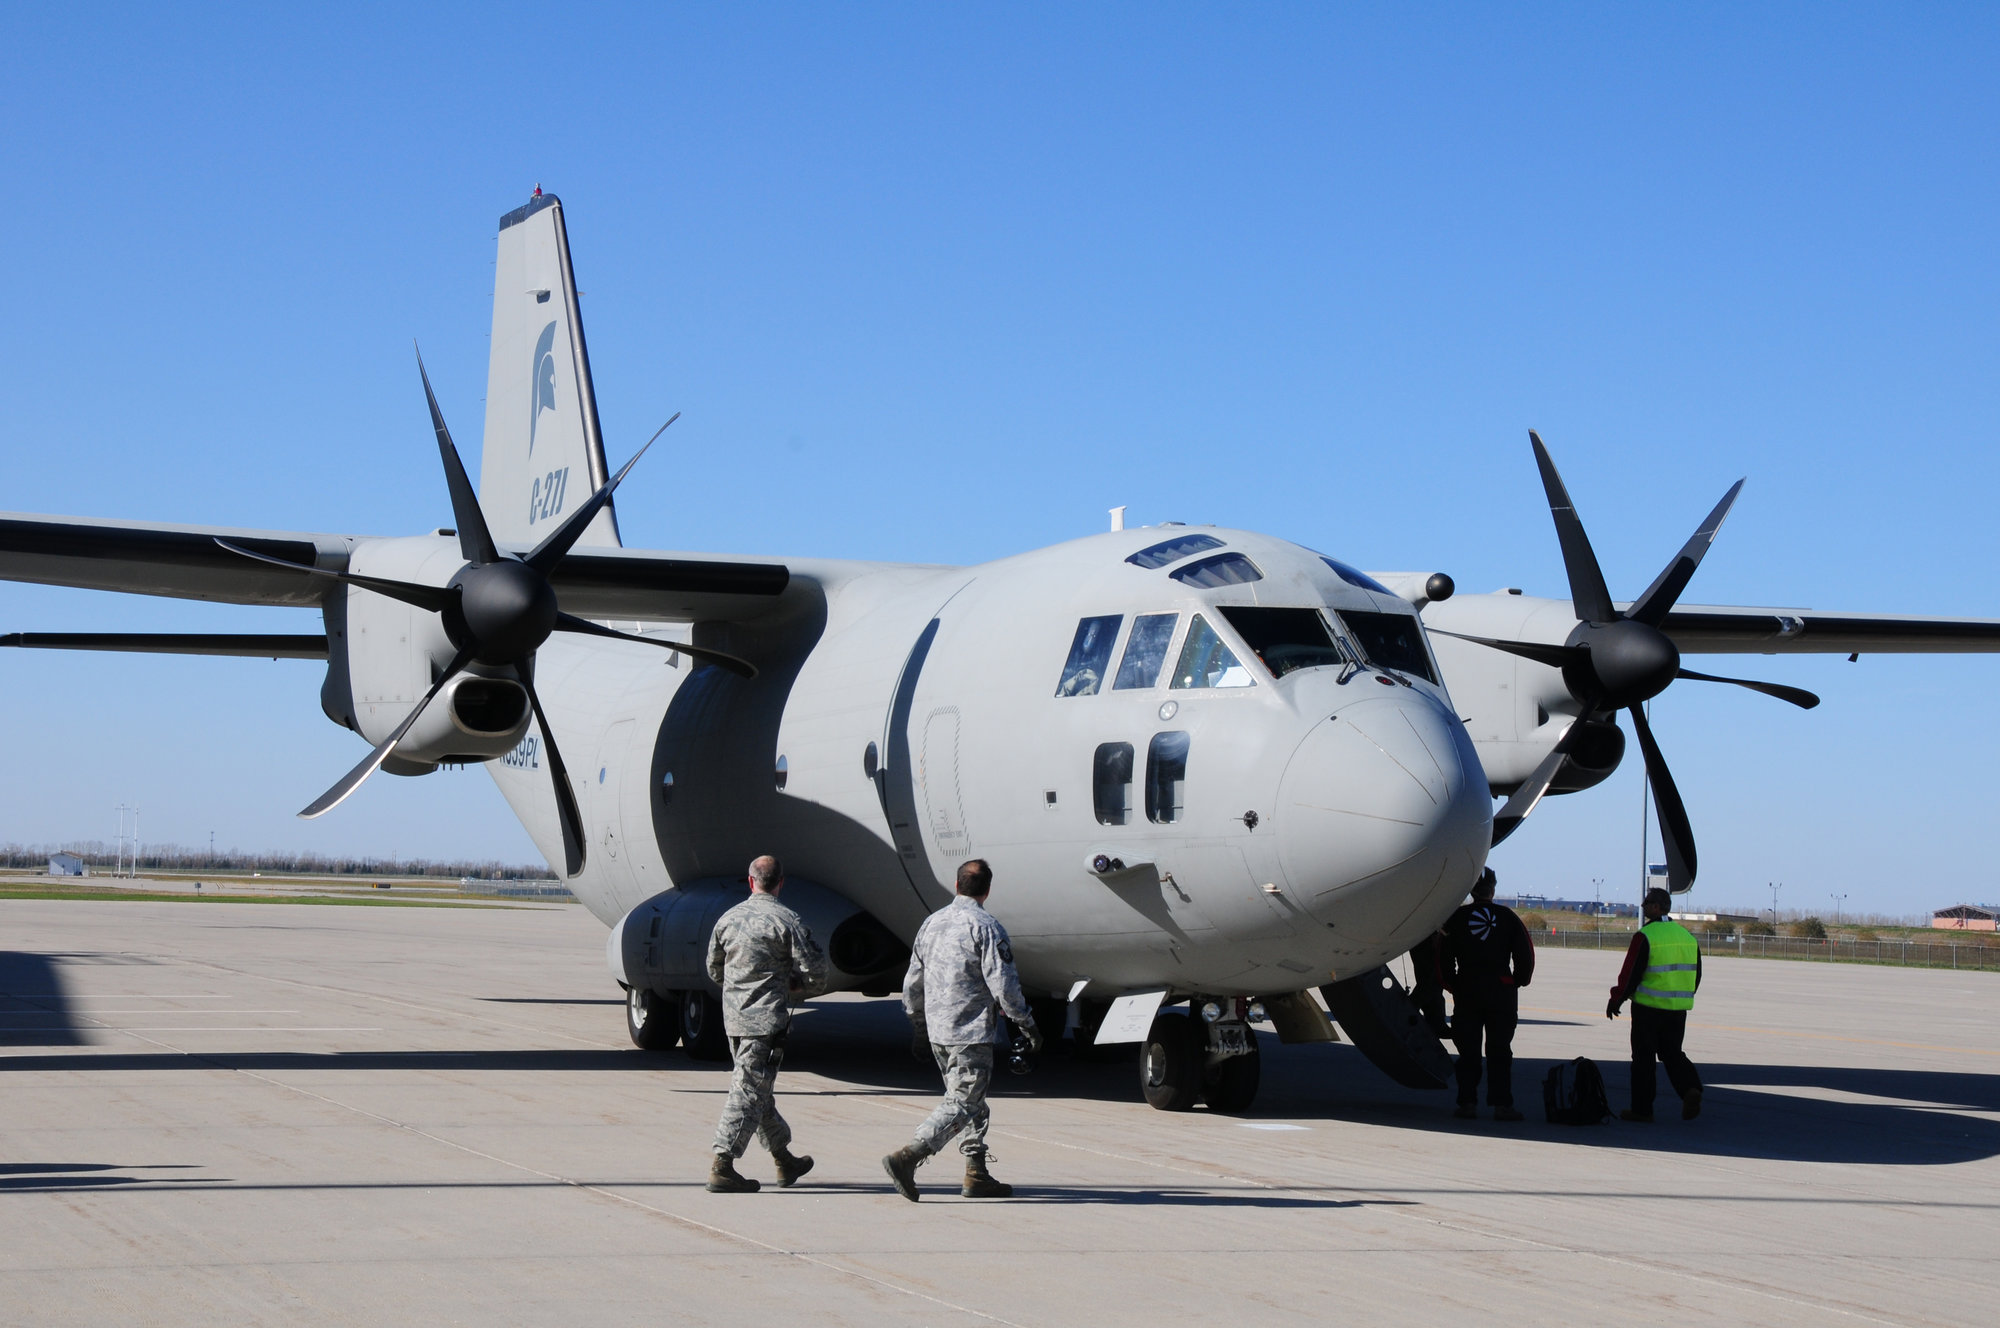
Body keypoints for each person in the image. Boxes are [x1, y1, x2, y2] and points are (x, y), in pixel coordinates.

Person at [881, 858, 1042, 1201]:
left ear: (956, 886)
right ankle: (909, 1156)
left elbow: (912, 984)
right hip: (970, 1033)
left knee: (970, 1100)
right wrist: (1026, 1024)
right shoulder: (986, 926)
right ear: (987, 890)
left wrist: (918, 1027)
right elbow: (1005, 986)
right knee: (965, 1102)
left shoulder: (931, 924)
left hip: (939, 1031)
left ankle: (976, 1171)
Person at [704, 854, 828, 1193]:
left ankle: (783, 1158)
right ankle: (723, 1163)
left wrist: (738, 990)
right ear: (780, 883)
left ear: (751, 881)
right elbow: (817, 974)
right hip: (766, 1022)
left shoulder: (728, 919)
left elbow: (714, 970)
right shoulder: (786, 920)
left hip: (733, 1020)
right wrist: (796, 986)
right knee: (747, 1092)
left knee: (756, 1091)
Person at [1440, 868, 1535, 1121]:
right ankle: (1502, 1106)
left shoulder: (1456, 919)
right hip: (1501, 993)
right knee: (1500, 1050)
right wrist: (1516, 981)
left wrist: (1453, 984)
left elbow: (1442, 958)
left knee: (1469, 1052)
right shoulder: (1508, 917)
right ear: (1493, 890)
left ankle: (1467, 1103)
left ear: (1471, 891)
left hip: (1468, 990)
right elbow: (1525, 955)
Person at [1606, 887, 1703, 1122]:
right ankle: (1691, 1088)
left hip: (1648, 1009)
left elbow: (1631, 972)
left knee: (1643, 1058)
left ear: (1658, 907)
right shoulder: (1687, 937)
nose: (1643, 906)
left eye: (1647, 902)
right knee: (1672, 1054)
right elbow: (1696, 974)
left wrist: (1617, 998)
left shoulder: (1646, 936)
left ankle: (1642, 1110)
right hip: (1677, 1009)